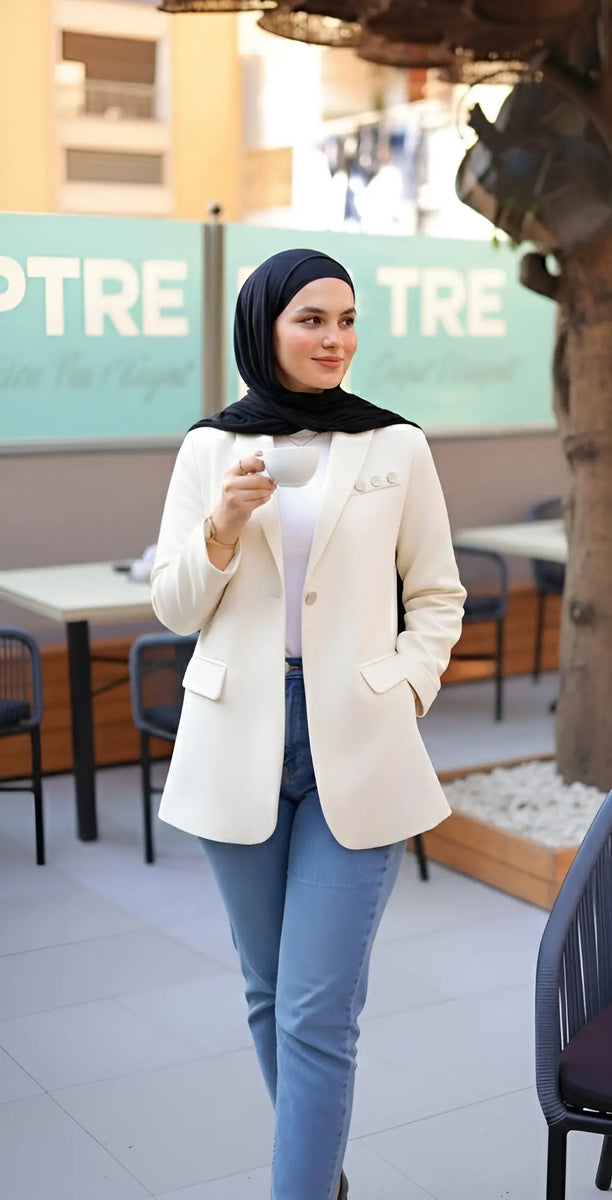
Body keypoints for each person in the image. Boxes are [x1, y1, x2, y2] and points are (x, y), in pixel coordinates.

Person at [150, 248, 466, 1200]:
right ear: (265, 328)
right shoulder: (211, 448)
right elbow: (173, 606)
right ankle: (321, 1176)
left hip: (357, 742)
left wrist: (404, 687)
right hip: (235, 736)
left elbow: (438, 595)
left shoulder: (396, 445)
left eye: (346, 320)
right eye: (311, 321)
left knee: (318, 1011)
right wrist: (219, 530)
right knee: (267, 992)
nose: (336, 340)